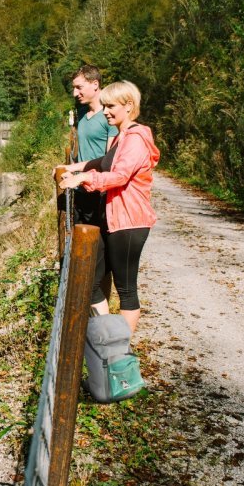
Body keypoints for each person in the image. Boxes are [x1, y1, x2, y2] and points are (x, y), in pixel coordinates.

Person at [55, 81, 160, 333]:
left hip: (130, 222)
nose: (105, 112)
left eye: (111, 106)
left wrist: (83, 179)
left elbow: (120, 175)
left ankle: (119, 353)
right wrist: (75, 167)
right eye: (104, 106)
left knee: (126, 289)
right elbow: (105, 162)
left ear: (129, 106)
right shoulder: (122, 137)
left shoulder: (135, 138)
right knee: (92, 280)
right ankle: (107, 337)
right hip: (114, 219)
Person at [68, 64, 117, 228]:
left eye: (79, 87)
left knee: (96, 244)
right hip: (79, 189)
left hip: (99, 192)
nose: (75, 93)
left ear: (95, 84)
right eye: (74, 88)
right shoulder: (81, 113)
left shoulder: (110, 116)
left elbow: (111, 159)